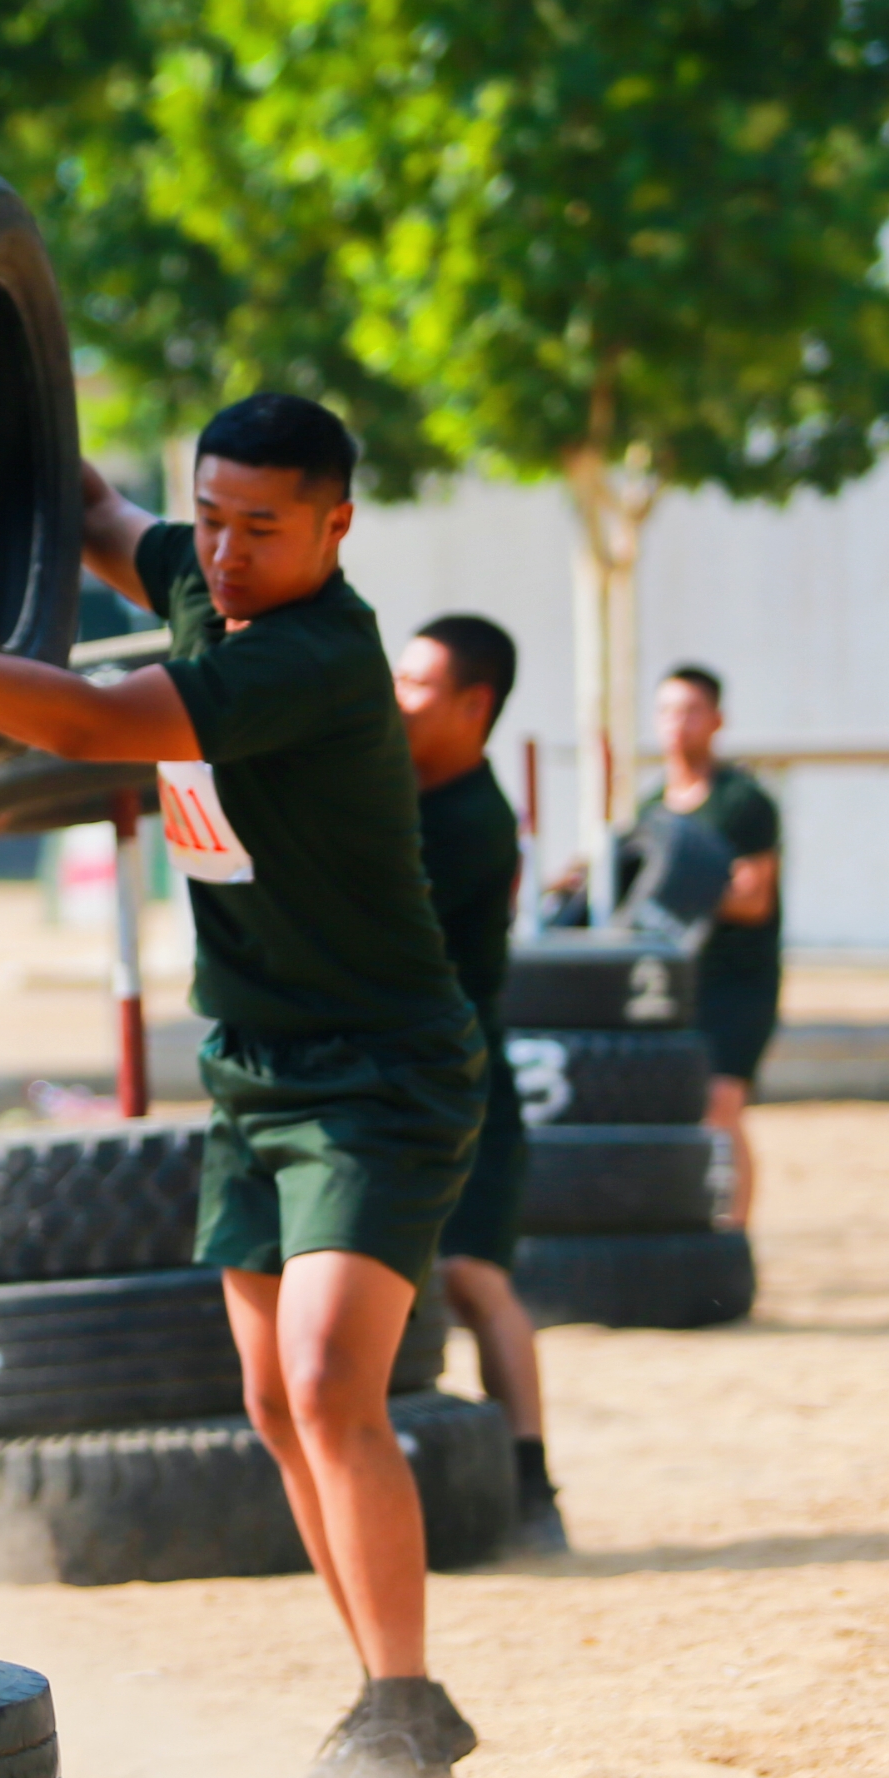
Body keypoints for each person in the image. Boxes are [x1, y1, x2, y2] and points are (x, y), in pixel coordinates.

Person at [0, 393, 487, 1778]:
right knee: (274, 1404)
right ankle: (384, 1701)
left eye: (259, 529)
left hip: (379, 1070)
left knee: (338, 1379)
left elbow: (92, 717)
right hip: (252, 1065)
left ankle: (408, 1705)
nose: (219, 553)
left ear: (337, 528)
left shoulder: (314, 654)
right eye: (210, 517)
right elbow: (89, 510)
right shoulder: (199, 576)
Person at [395, 613, 565, 1555]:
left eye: (416, 686)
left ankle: (533, 1481)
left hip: (465, 1084)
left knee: (473, 1278)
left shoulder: (471, 822)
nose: (395, 698)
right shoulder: (397, 787)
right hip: (394, 1076)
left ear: (474, 707)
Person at [644, 663, 781, 1227]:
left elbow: (753, 900)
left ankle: (730, 1237)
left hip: (739, 982)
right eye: (669, 711)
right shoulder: (650, 808)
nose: (679, 725)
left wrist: (671, 890)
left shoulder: (742, 802)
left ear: (717, 719)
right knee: (680, 1113)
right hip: (677, 984)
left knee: (723, 1107)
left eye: (692, 711)